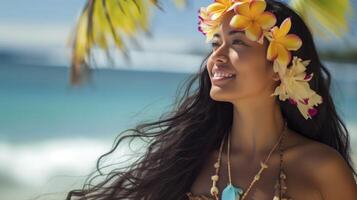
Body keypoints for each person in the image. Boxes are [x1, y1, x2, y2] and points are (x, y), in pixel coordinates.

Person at [66, 0, 357, 199]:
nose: (215, 58)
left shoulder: (323, 168)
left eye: (237, 42)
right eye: (216, 43)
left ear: (280, 67)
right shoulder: (187, 159)